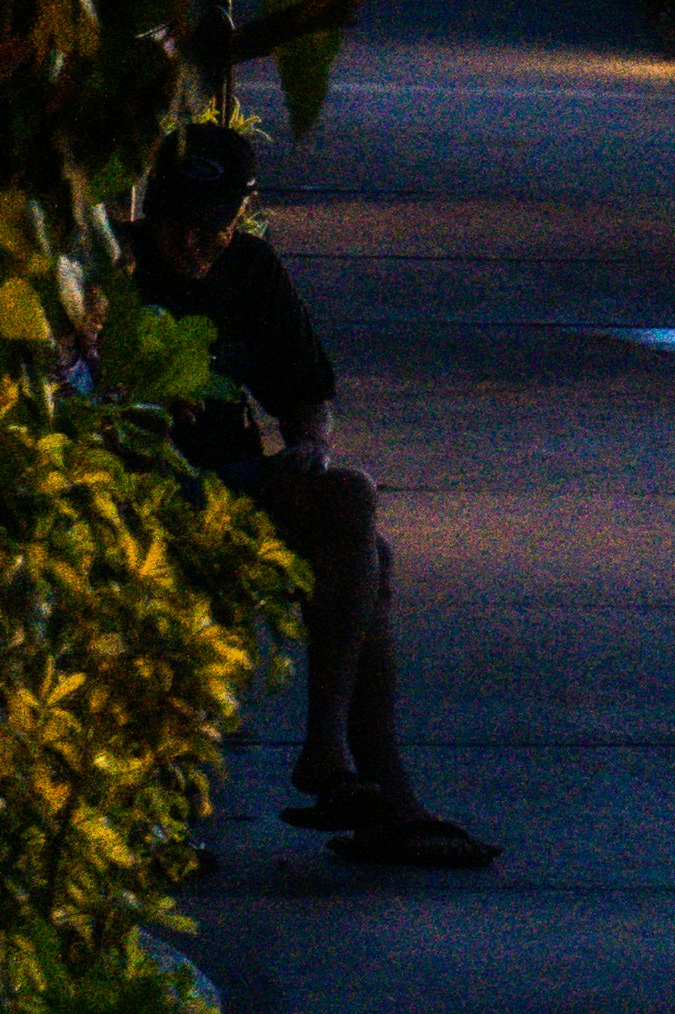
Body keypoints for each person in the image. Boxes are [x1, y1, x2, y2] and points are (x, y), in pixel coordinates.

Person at [127, 125, 496, 870]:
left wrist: (308, 449)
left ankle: (358, 776)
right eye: (181, 224)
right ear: (150, 210)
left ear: (242, 213)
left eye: (216, 226)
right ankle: (357, 774)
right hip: (149, 479)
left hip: (234, 478)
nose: (197, 243)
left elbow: (306, 394)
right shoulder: (120, 273)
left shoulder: (251, 268)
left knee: (351, 513)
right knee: (367, 543)